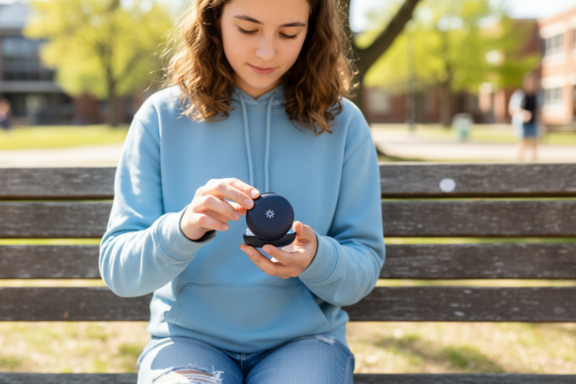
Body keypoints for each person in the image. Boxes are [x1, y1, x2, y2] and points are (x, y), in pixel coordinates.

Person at [99, 0, 385, 383]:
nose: (267, 52)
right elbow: (119, 270)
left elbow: (362, 269)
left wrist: (318, 257)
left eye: (289, 33)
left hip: (305, 344)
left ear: (312, 30)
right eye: (248, 29)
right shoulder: (161, 118)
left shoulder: (343, 123)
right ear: (213, 20)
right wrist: (182, 229)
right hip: (187, 341)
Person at [508, 72, 542, 162]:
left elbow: (538, 109)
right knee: (523, 142)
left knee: (535, 141)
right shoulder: (520, 94)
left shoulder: (537, 95)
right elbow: (512, 108)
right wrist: (523, 113)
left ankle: (534, 162)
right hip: (521, 121)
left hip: (533, 121)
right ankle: (518, 161)